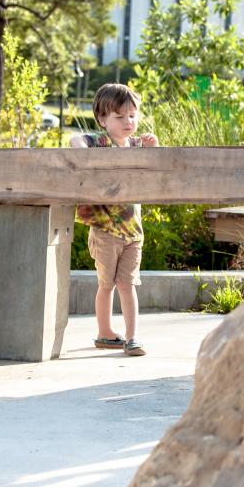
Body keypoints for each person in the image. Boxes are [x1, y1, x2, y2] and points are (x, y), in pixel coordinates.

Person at [70, 83, 158, 357]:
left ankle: (132, 337)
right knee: (106, 284)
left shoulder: (135, 145)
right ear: (103, 120)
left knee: (128, 284)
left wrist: (155, 147)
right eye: (119, 117)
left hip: (133, 232)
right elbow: (75, 139)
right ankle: (105, 333)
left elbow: (157, 167)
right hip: (105, 229)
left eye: (132, 115)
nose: (128, 122)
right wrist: (83, 150)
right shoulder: (100, 142)